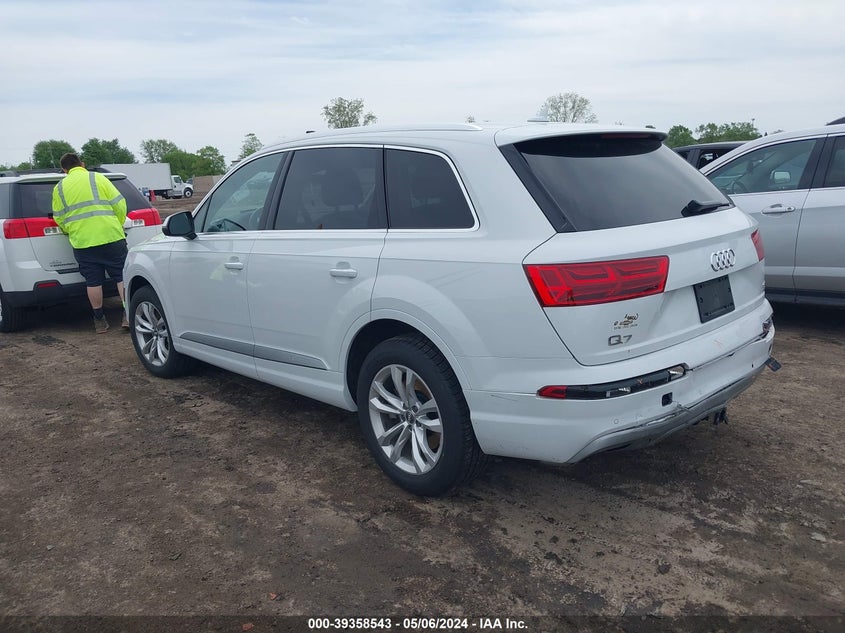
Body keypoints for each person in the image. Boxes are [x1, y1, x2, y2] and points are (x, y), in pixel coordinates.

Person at [51, 153, 129, 333]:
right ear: (82, 164)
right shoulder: (97, 178)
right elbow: (119, 203)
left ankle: (99, 320)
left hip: (83, 241)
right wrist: (117, 223)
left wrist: (70, 230)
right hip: (111, 236)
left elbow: (59, 217)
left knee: (93, 281)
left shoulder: (59, 188)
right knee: (121, 276)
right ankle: (127, 314)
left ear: (64, 170)